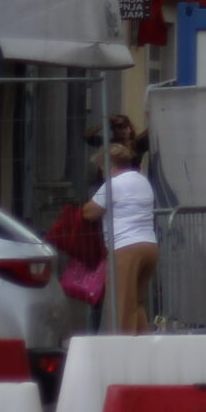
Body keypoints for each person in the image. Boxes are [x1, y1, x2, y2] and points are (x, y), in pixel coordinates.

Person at [83, 143, 158, 333]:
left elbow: (89, 212)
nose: (102, 172)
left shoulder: (113, 184)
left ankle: (123, 350)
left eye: (101, 167)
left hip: (125, 248)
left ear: (109, 165)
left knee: (121, 304)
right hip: (149, 245)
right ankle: (144, 343)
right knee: (135, 303)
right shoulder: (142, 181)